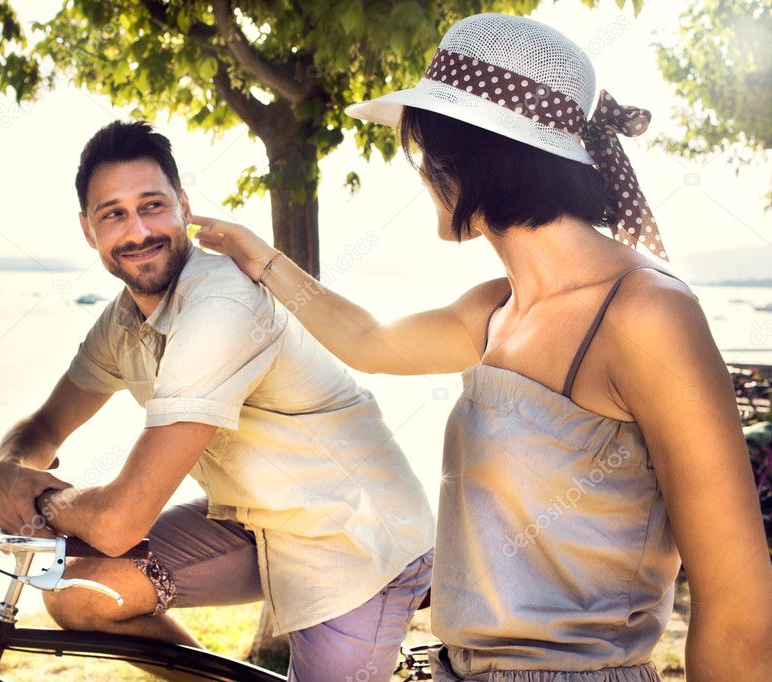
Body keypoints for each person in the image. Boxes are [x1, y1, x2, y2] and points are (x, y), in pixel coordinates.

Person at [193, 12, 772, 682]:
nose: (417, 176)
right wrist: (258, 257)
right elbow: (368, 340)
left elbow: (740, 614)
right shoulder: (494, 307)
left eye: (420, 153)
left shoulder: (645, 313)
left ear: (468, 157)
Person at [0, 120, 436, 681]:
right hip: (251, 521)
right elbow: (46, 424)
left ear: (183, 205)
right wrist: (10, 466)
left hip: (351, 536)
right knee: (80, 594)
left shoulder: (220, 304)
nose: (137, 230)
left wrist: (43, 501)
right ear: (88, 230)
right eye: (113, 214)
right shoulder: (123, 322)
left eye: (152, 205)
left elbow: (122, 522)